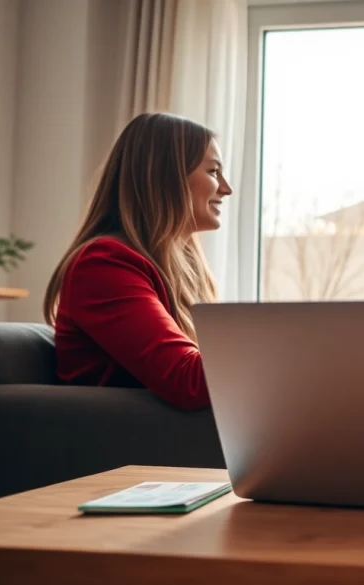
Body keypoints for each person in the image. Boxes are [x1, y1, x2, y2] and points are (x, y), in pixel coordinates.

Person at [43, 112, 233, 410]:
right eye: (213, 172)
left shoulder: (183, 265)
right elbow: (188, 381)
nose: (226, 188)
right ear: (166, 177)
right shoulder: (103, 265)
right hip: (130, 448)